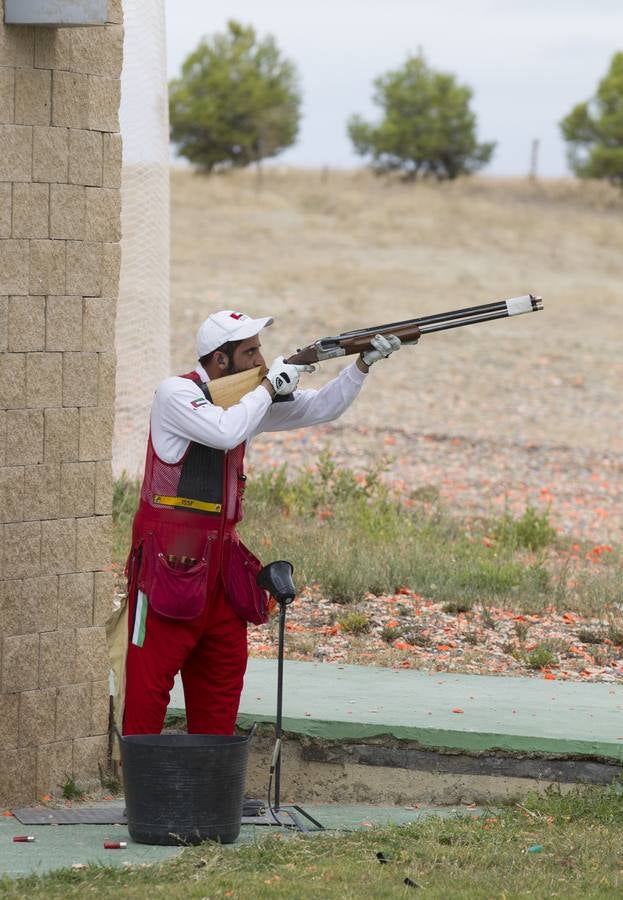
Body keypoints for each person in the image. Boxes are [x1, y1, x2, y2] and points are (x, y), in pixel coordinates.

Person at [122, 309, 402, 736]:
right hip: (167, 566)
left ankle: (210, 792)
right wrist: (271, 386)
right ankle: (140, 793)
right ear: (220, 361)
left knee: (222, 680)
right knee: (148, 685)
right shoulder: (175, 393)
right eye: (250, 352)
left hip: (219, 567)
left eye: (260, 350)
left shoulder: (246, 400)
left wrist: (360, 365)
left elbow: (322, 408)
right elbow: (223, 432)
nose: (260, 360)